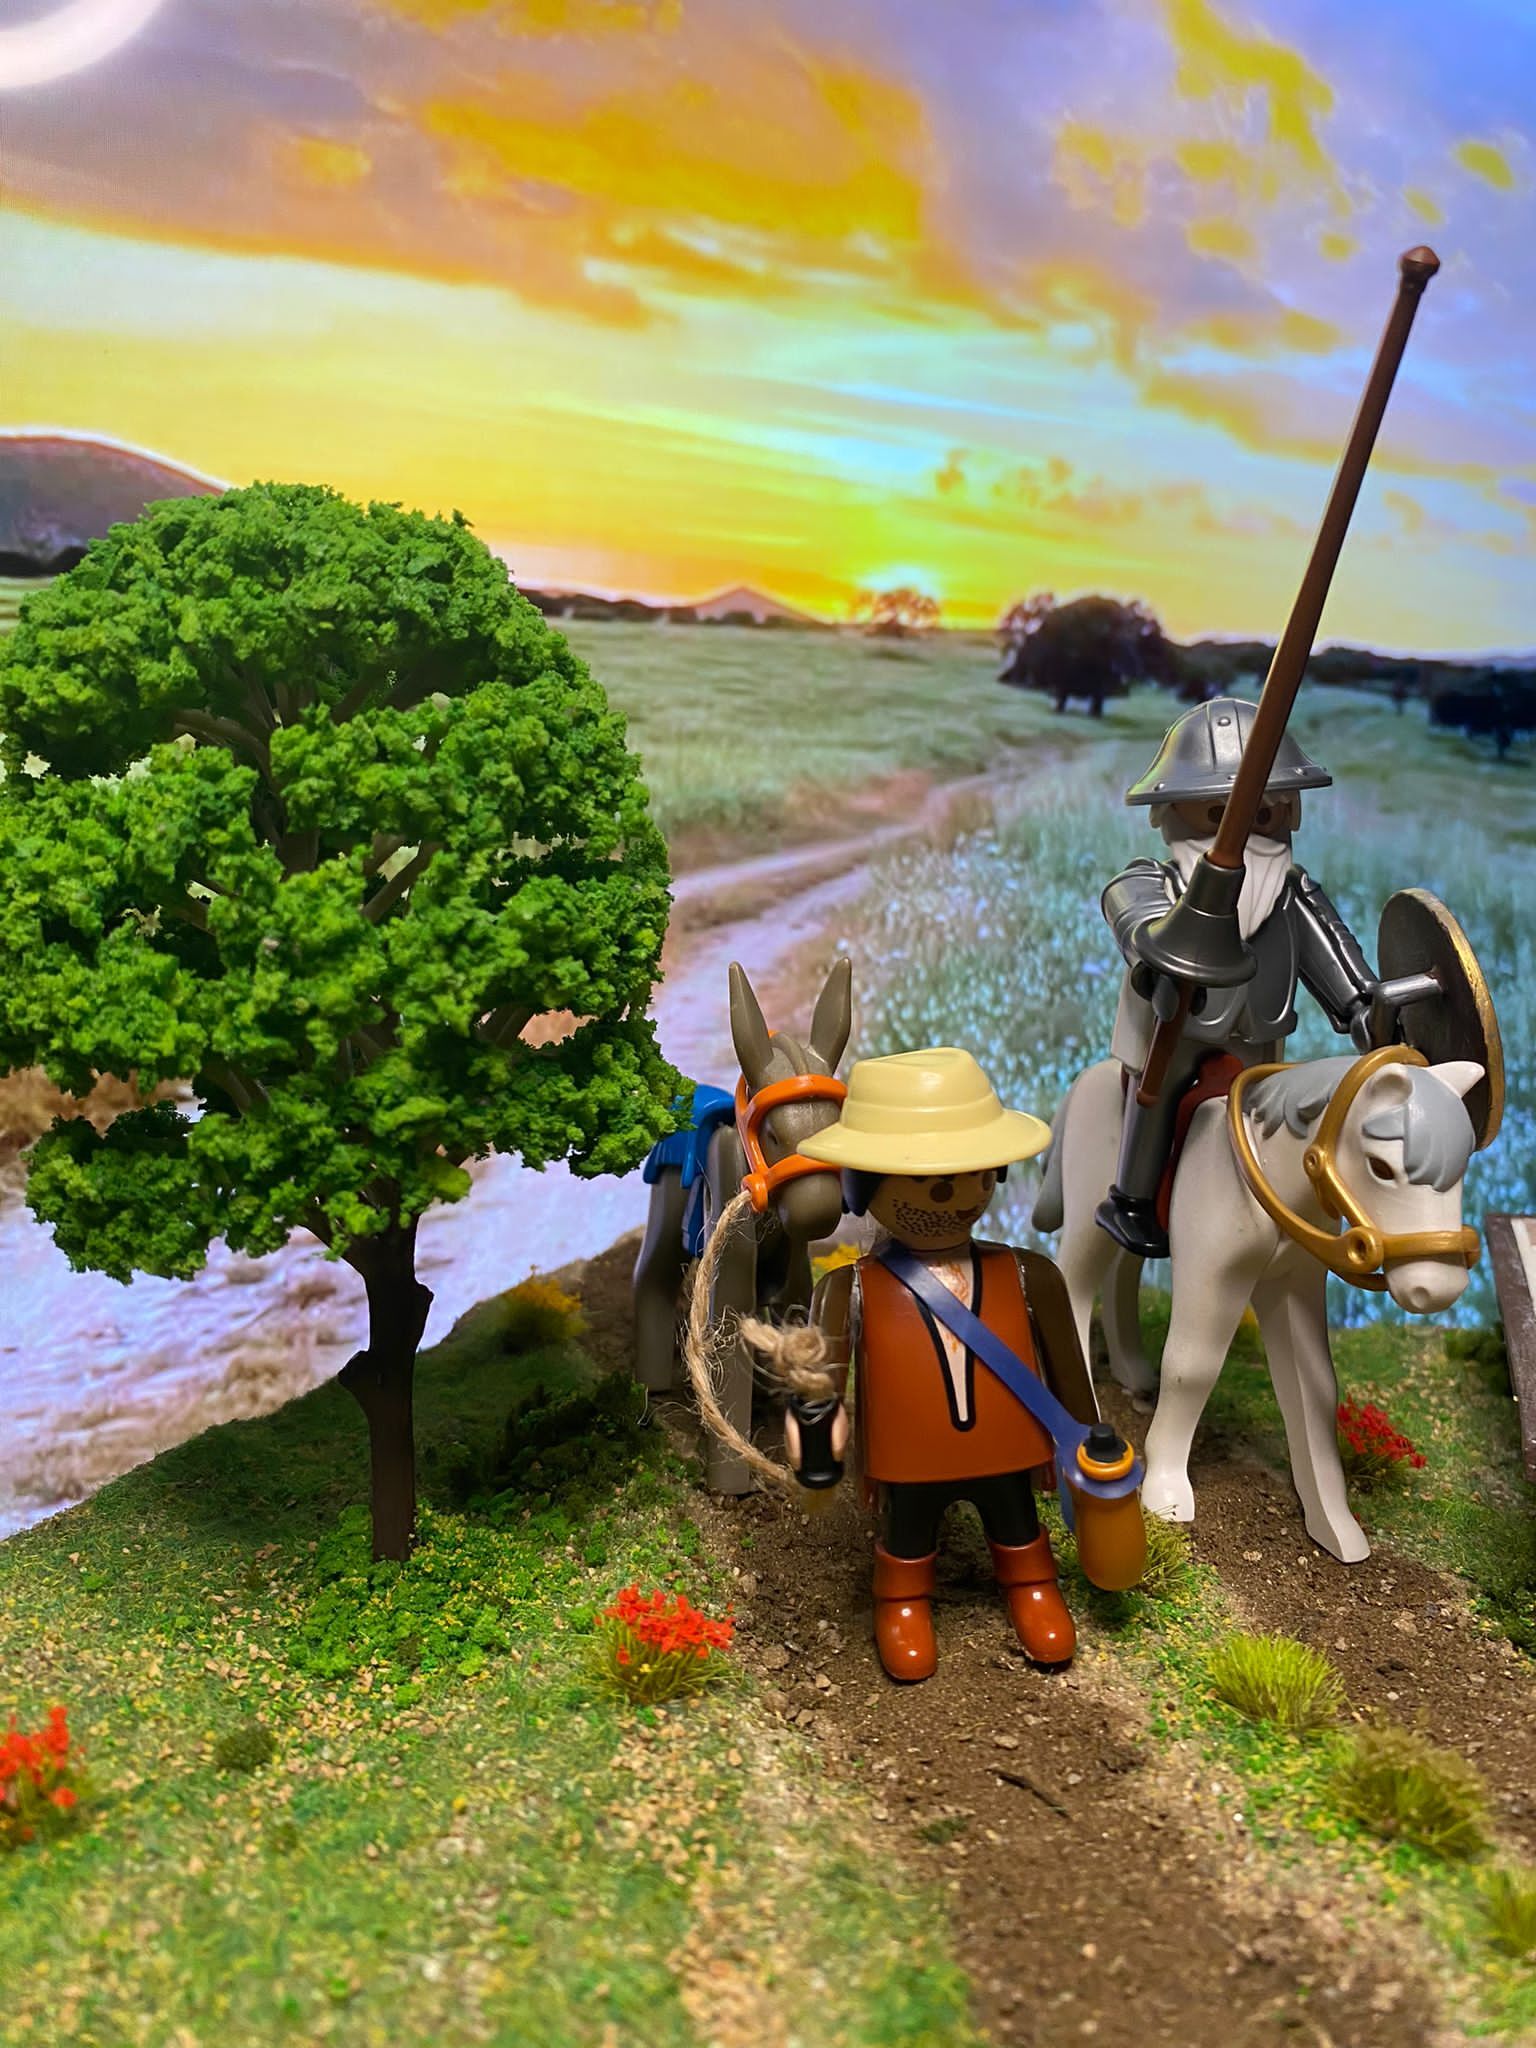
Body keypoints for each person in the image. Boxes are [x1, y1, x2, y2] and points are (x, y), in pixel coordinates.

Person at [790, 1047, 1099, 1683]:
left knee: (1015, 1516)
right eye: (936, 1184)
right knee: (908, 1527)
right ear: (866, 1185)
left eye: (979, 1177)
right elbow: (821, 1379)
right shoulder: (850, 1287)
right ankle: (902, 1599)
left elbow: (1069, 1368)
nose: (961, 1199)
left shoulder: (1028, 1273)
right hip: (910, 1453)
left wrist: (1092, 1434)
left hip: (1007, 1443)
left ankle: (1033, 1584)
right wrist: (817, 1429)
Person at [1095, 697, 1378, 1262]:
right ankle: (1131, 1198)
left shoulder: (1291, 892)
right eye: (1217, 815)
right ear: (1172, 812)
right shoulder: (1148, 883)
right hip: (1176, 1035)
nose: (1245, 832)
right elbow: (1146, 935)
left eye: (1261, 816)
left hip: (1261, 1043)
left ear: (1288, 812)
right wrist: (1197, 909)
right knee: (1159, 1095)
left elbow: (1333, 957)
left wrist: (1364, 1007)